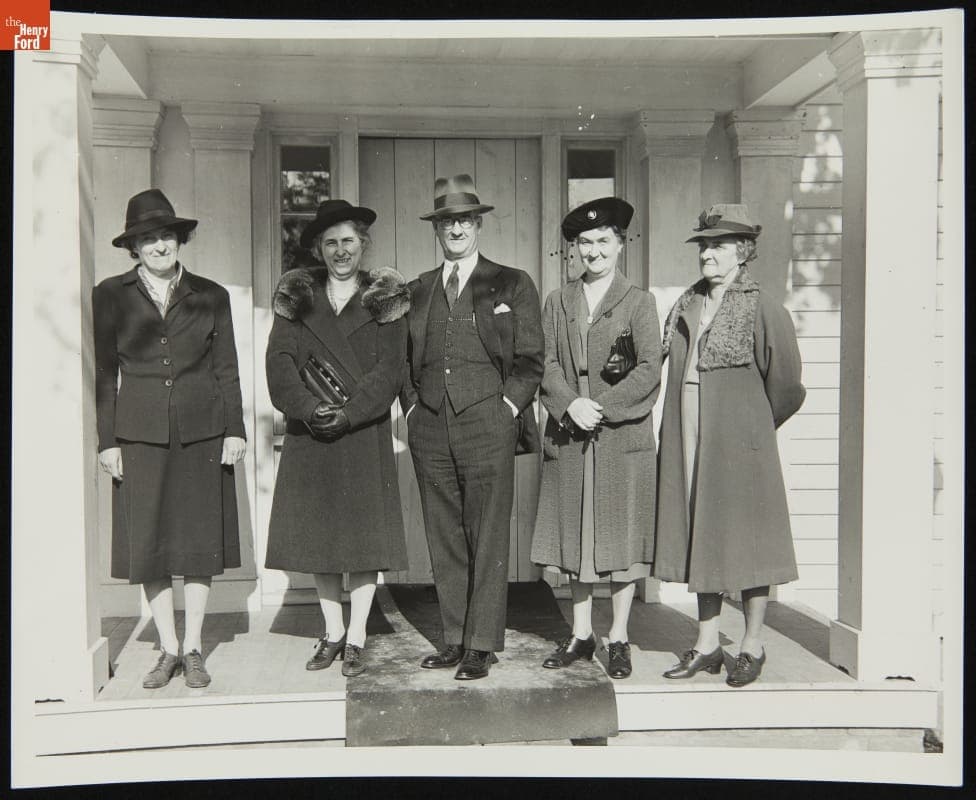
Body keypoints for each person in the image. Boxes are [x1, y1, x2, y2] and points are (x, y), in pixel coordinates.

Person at [94, 189, 246, 690]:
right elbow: (103, 372)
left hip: (202, 431)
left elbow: (227, 368)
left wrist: (235, 430)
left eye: (166, 235)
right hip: (138, 435)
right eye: (147, 238)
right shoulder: (110, 294)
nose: (159, 245)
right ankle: (168, 648)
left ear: (179, 240)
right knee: (152, 544)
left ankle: (196, 647)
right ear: (133, 247)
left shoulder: (212, 295)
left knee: (198, 542)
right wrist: (107, 441)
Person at [654, 204, 805, 687]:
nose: (707, 254)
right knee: (704, 533)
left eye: (718, 245)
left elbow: (786, 386)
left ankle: (752, 644)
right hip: (690, 433)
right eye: (704, 245)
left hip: (741, 443)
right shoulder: (687, 305)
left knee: (750, 541)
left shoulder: (763, 307)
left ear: (742, 253)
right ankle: (706, 645)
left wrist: (752, 429)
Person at [401, 174, 544, 680]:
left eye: (463, 219)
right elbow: (402, 359)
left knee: (486, 535)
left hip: (488, 422)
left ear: (478, 223)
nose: (455, 228)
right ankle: (454, 637)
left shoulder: (511, 282)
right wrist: (412, 408)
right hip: (430, 427)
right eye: (446, 221)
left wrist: (507, 408)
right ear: (437, 229)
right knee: (444, 534)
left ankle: (482, 644)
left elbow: (530, 359)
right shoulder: (417, 289)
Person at [265, 200, 410, 678]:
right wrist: (310, 411)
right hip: (311, 434)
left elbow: (390, 371)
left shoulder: (384, 298)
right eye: (331, 243)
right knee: (320, 539)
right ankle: (331, 631)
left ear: (362, 244)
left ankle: (357, 636)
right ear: (318, 249)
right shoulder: (297, 298)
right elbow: (279, 365)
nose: (340, 251)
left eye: (349, 241)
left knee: (363, 542)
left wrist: (348, 415)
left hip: (361, 433)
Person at [531, 197, 661, 680]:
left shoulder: (640, 301)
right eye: (584, 243)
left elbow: (650, 368)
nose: (593, 251)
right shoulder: (558, 301)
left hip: (619, 435)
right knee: (578, 537)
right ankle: (582, 634)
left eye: (603, 241)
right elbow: (542, 363)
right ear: (574, 250)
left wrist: (600, 407)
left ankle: (619, 635)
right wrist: (569, 404)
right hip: (571, 431)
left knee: (621, 537)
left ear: (621, 245)